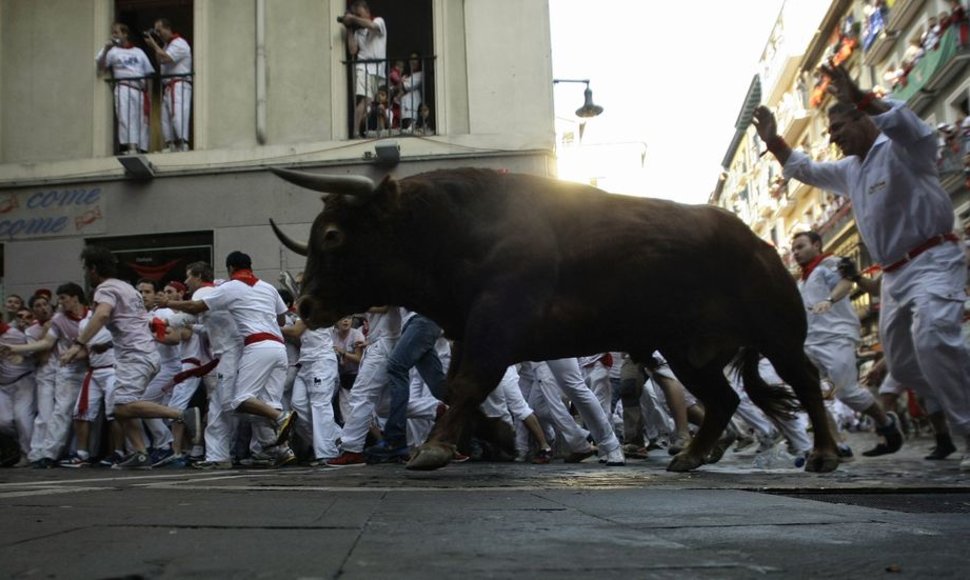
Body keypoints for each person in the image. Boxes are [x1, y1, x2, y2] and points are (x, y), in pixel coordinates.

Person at [753, 62, 970, 471]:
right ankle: (956, 392)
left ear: (864, 119)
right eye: (830, 133)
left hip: (933, 258)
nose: (833, 139)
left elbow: (912, 127)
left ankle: (966, 430)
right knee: (905, 365)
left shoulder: (903, 147)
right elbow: (807, 170)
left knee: (934, 339)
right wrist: (774, 141)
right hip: (894, 274)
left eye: (838, 129)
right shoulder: (851, 170)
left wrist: (860, 94)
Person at [56, 246, 202, 470]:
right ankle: (141, 453)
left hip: (135, 355)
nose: (86, 274)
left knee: (123, 407)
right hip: (144, 354)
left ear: (94, 269)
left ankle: (182, 414)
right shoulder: (127, 288)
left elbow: (102, 314)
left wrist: (78, 343)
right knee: (121, 404)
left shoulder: (105, 289)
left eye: (87, 269)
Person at [157, 251, 297, 466]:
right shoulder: (266, 287)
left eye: (188, 276)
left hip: (245, 351)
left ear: (230, 268)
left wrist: (167, 306)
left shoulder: (223, 289)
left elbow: (193, 311)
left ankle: (220, 455)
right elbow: (281, 318)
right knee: (264, 401)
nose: (186, 282)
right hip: (276, 349)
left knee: (231, 404)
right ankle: (277, 449)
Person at [790, 231, 903, 458]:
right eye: (793, 249)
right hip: (810, 341)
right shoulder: (802, 278)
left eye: (801, 246)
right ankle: (835, 443)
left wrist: (830, 300)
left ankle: (886, 422)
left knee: (847, 392)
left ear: (817, 244)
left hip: (836, 336)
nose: (796, 252)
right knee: (808, 392)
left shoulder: (830, 263)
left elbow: (847, 282)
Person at [96, 22, 154, 155]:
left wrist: (149, 94)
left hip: (139, 90)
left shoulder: (138, 52)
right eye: (113, 32)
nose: (113, 35)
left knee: (141, 120)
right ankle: (131, 147)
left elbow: (149, 72)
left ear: (125, 34)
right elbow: (100, 65)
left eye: (116, 32)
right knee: (126, 117)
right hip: (123, 87)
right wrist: (105, 48)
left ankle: (142, 148)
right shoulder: (113, 52)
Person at [144, 18, 192, 152]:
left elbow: (166, 58)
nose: (158, 34)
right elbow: (160, 61)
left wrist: (154, 45)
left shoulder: (179, 43)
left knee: (178, 113)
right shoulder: (166, 46)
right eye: (156, 32)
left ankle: (183, 142)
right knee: (166, 117)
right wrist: (156, 45)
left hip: (179, 84)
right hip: (168, 86)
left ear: (167, 28)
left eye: (159, 31)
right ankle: (170, 143)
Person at [340, 0, 387, 138]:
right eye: (356, 15)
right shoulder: (358, 32)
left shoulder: (379, 21)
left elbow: (371, 26)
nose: (358, 17)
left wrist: (352, 18)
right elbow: (353, 50)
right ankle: (355, 132)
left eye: (360, 14)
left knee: (370, 103)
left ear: (367, 11)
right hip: (363, 67)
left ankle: (366, 130)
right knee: (365, 100)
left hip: (377, 70)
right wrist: (349, 29)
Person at [398, 53, 424, 132]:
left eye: (415, 59)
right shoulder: (406, 76)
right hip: (402, 112)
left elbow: (404, 86)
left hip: (411, 111)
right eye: (411, 60)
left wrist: (399, 84)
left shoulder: (420, 74)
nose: (413, 62)